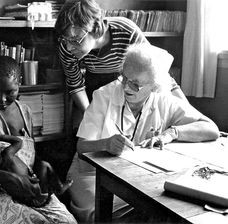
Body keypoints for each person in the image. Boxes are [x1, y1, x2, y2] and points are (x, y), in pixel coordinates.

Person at [66, 44, 220, 222]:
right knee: (112, 216)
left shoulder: (163, 99)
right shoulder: (104, 95)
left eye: (135, 84)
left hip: (135, 178)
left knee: (165, 210)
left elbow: (210, 128)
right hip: (91, 174)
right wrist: (105, 144)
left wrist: (171, 133)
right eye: (123, 77)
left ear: (154, 86)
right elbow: (81, 147)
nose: (126, 87)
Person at [0, 56, 77, 223]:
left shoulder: (25, 111)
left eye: (9, 92)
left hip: (27, 185)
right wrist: (4, 178)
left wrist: (41, 176)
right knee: (33, 221)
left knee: (67, 222)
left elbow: (30, 155)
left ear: (19, 83)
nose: (1, 99)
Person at [55, 0, 188, 113]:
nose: (68, 47)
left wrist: (185, 108)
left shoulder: (126, 30)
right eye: (65, 40)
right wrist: (90, 116)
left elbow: (154, 68)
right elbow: (76, 85)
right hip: (94, 82)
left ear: (94, 28)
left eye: (74, 39)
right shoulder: (67, 45)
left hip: (126, 79)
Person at [0, 134, 73, 206]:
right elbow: (18, 142)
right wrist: (1, 136)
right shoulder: (7, 154)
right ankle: (59, 188)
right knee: (44, 165)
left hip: (25, 201)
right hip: (40, 193)